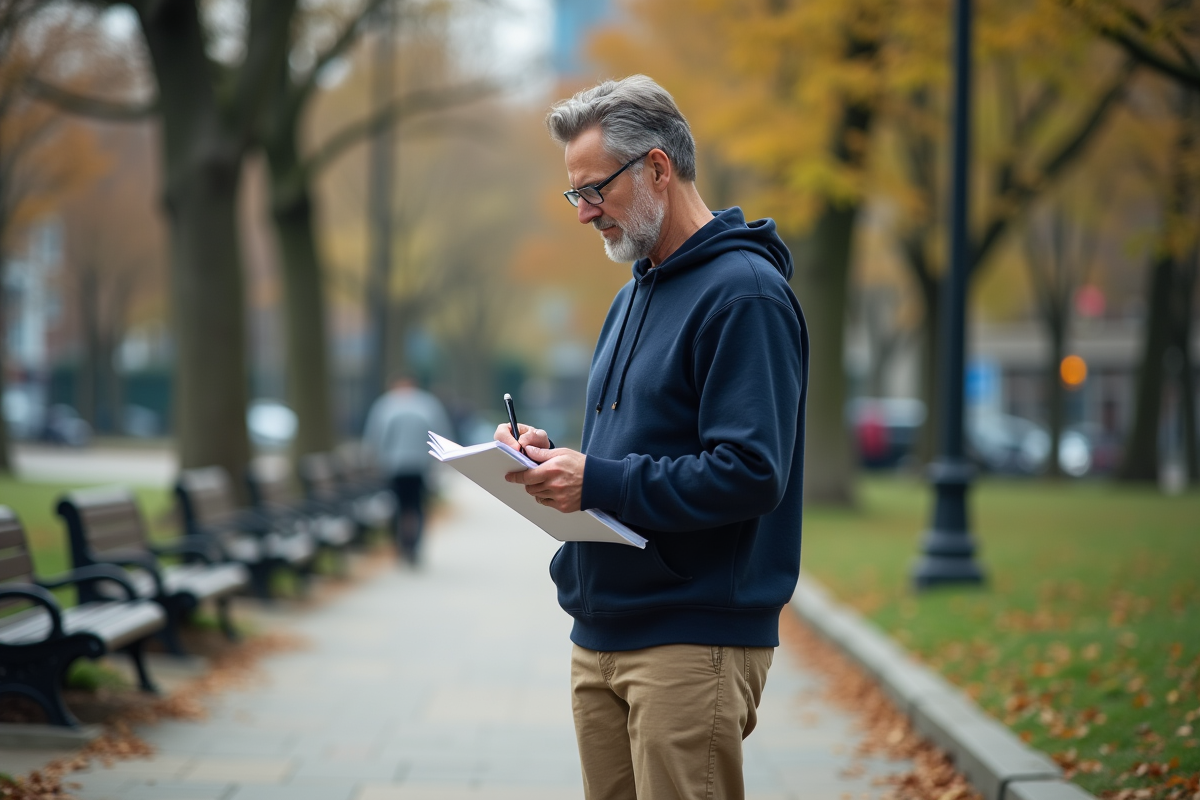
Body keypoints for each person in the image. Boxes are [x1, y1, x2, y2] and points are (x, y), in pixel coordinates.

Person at [493, 75, 809, 800]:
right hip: (601, 630)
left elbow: (751, 471)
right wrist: (555, 461)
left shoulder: (746, 295)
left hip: (690, 639)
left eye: (595, 190)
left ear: (658, 168)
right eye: (576, 195)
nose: (585, 214)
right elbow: (635, 451)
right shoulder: (632, 294)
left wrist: (597, 480)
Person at [363, 376, 451, 564]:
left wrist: (374, 458)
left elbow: (375, 436)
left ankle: (401, 546)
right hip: (420, 465)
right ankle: (414, 547)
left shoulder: (385, 404)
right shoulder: (428, 404)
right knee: (417, 506)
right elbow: (440, 432)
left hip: (394, 465)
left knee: (398, 506)